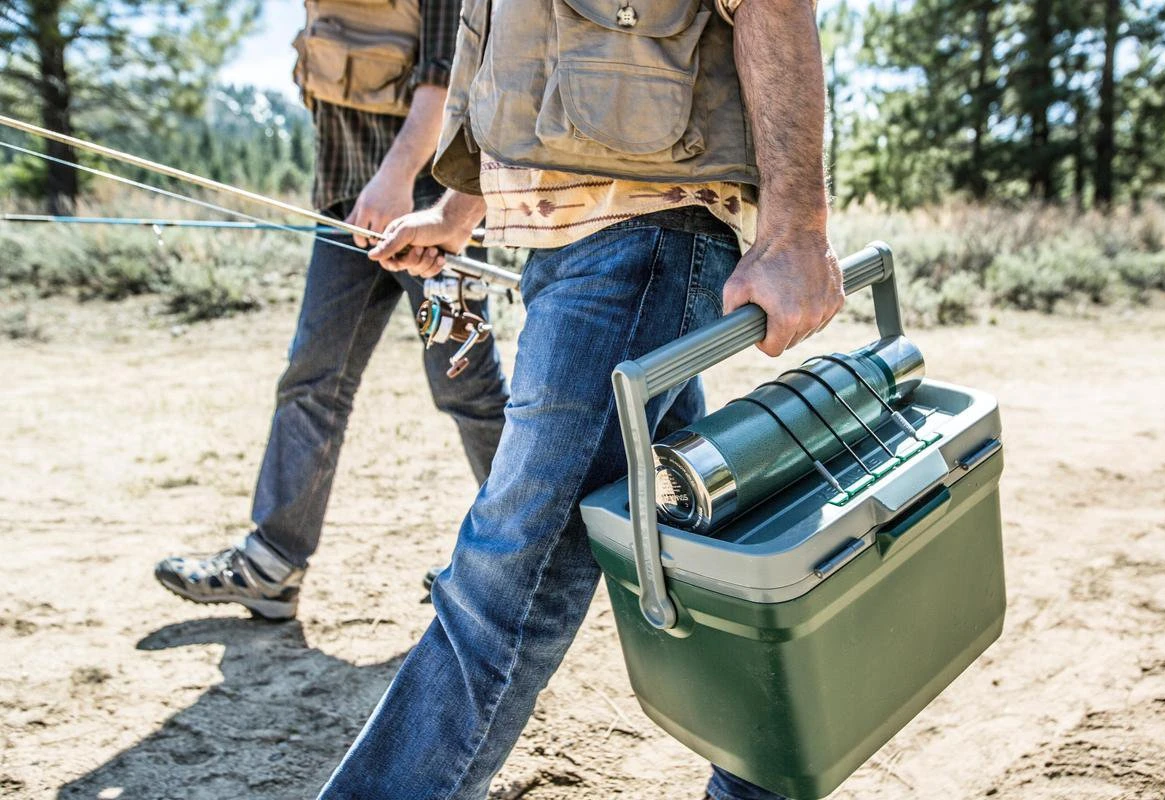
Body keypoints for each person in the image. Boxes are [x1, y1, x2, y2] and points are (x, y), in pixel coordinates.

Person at [319, 0, 844, 797]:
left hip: (641, 238)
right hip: (567, 256)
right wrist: (458, 213)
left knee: (503, 577)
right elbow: (525, 72)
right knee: (689, 552)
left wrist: (799, 226)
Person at [153, 0, 508, 621]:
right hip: (346, 207)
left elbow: (445, 76)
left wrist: (396, 181)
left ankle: (525, 559)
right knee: (311, 377)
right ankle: (271, 564)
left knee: (467, 387)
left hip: (429, 206)